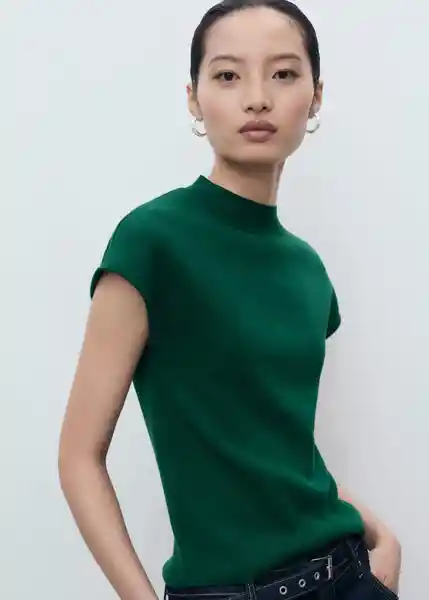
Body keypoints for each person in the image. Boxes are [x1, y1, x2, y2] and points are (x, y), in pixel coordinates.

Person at [58, 1, 402, 599]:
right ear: (194, 98)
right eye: (227, 75)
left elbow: (279, 452)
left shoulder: (308, 271)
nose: (257, 98)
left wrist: (381, 537)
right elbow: (78, 457)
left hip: (346, 576)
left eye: (284, 73)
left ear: (316, 97)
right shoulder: (152, 243)